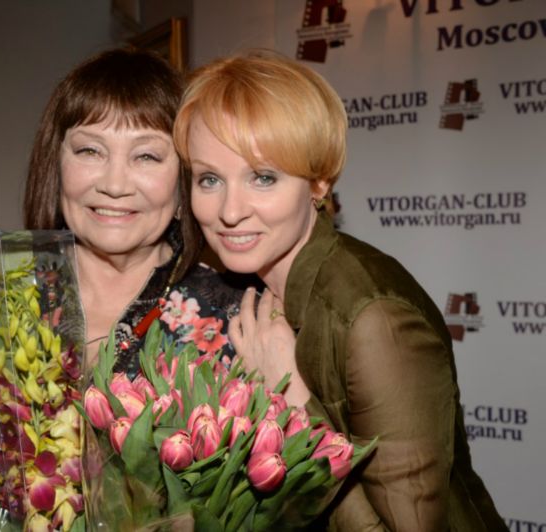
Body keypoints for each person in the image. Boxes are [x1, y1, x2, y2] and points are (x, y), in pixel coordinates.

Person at [173, 50, 505, 531]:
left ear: (319, 182)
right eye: (209, 179)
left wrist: (294, 408)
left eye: (262, 177)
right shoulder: (248, 289)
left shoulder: (375, 320)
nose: (229, 210)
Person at [24, 48, 242, 377]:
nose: (114, 185)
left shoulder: (234, 321)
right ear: (55, 166)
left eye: (146, 156)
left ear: (184, 179)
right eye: (90, 151)